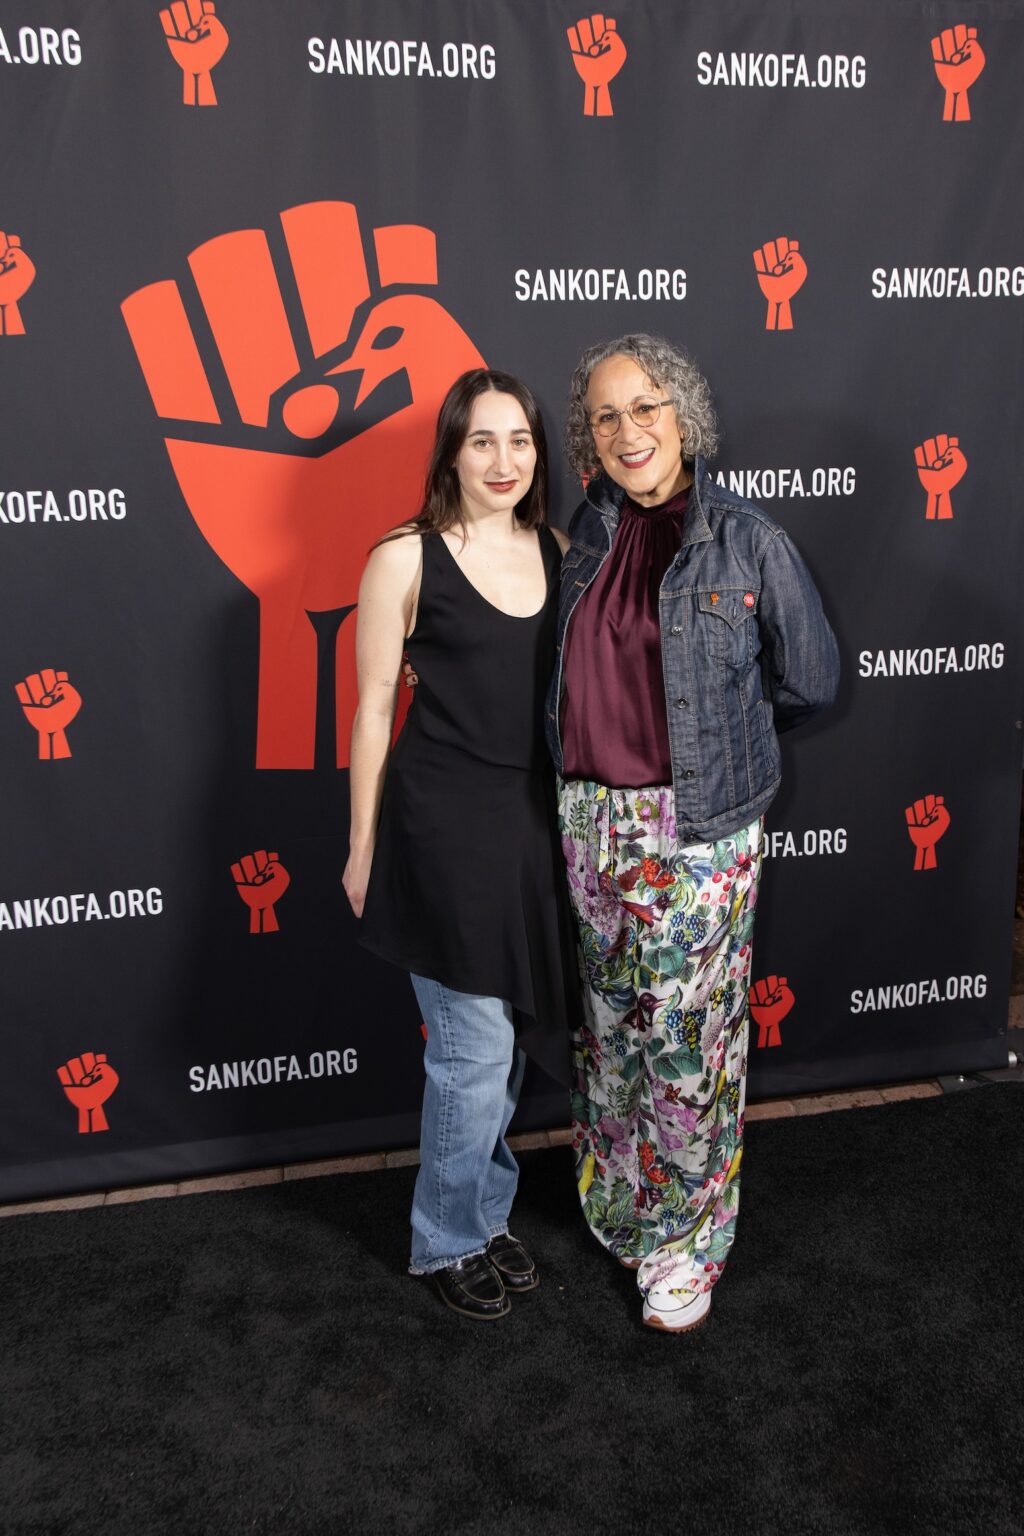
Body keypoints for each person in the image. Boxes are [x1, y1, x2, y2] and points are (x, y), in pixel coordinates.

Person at [546, 334, 839, 1332]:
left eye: (647, 408)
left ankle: (688, 1245)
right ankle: (627, 1204)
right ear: (588, 438)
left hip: (695, 831)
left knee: (687, 1046)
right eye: (605, 415)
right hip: (589, 826)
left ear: (687, 416)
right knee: (612, 1035)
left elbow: (809, 680)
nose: (629, 432)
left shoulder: (747, 540)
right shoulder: (580, 539)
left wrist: (718, 754)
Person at [343, 368, 577, 1322]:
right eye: (481, 440)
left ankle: (483, 1213)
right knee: (472, 1050)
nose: (502, 460)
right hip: (439, 829)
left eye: (519, 440)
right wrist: (361, 846)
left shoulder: (560, 551)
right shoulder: (405, 556)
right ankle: (444, 1238)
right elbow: (368, 712)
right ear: (450, 449)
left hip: (532, 831)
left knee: (508, 1048)